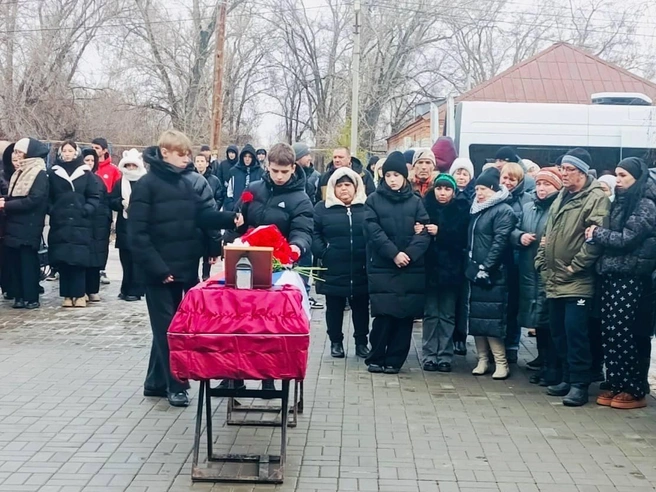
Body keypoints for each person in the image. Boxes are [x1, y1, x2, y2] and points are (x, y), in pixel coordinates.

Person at [129, 130, 241, 407]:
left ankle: (155, 382)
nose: (187, 159)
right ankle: (176, 385)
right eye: (182, 154)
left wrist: (230, 218)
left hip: (185, 267)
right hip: (158, 273)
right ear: (165, 152)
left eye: (189, 155)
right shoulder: (146, 185)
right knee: (169, 330)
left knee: (172, 328)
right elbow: (137, 234)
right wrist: (157, 268)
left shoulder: (187, 184)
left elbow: (201, 217)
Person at [223, 142, 313, 391]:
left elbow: (303, 230)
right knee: (237, 320)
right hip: (245, 265)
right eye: (275, 171)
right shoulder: (253, 190)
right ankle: (235, 374)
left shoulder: (301, 198)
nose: (280, 176)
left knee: (269, 324)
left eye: (284, 171)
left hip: (278, 269)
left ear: (293, 168)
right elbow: (237, 223)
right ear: (268, 167)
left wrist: (296, 247)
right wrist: (232, 236)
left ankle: (269, 376)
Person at [535, 148, 610, 407]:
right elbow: (549, 231)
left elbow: (595, 239)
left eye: (569, 170)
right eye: (562, 169)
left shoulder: (595, 198)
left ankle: (579, 384)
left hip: (578, 280)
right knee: (558, 333)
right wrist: (541, 262)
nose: (564, 174)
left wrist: (574, 266)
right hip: (554, 279)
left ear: (582, 172)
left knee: (575, 332)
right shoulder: (562, 196)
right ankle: (567, 378)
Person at [587, 157, 656, 409]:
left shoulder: (646, 204)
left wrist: (597, 233)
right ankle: (615, 382)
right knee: (610, 331)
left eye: (624, 175)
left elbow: (627, 238)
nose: (618, 180)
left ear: (637, 178)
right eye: (616, 174)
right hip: (612, 274)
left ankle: (633, 387)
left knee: (624, 331)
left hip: (632, 277)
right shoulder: (621, 202)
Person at [363, 151, 430, 374]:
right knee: (383, 316)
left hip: (410, 268)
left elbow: (424, 232)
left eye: (396, 174)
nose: (392, 179)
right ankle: (376, 356)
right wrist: (393, 253)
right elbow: (372, 230)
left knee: (404, 318)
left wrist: (408, 254)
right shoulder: (373, 200)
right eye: (388, 175)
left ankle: (395, 360)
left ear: (404, 176)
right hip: (383, 265)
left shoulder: (416, 202)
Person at [512, 167, 562, 385]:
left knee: (549, 322)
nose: (542, 188)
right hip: (528, 270)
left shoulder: (559, 208)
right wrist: (520, 236)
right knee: (537, 320)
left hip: (548, 271)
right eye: (539, 184)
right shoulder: (528, 207)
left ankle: (553, 367)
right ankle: (543, 362)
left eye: (547, 184)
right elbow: (512, 229)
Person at [464, 167, 516, 380]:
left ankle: (501, 362)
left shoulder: (503, 210)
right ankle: (482, 359)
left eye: (484, 188)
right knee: (477, 319)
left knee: (492, 320)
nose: (480, 192)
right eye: (477, 188)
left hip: (494, 274)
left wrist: (487, 267)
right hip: (476, 271)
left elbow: (500, 242)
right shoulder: (478, 209)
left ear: (494, 189)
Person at [313, 167, 369, 358]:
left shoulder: (366, 207)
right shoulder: (322, 208)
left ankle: (362, 342)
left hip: (361, 267)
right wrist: (324, 252)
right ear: (333, 188)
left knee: (361, 308)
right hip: (334, 267)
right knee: (334, 307)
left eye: (348, 185)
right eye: (340, 186)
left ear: (356, 187)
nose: (344, 189)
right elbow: (314, 233)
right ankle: (335, 342)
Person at [420, 173, 469, 372]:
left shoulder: (461, 210)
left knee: (448, 314)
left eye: (447, 189)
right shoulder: (425, 207)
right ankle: (430, 354)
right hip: (429, 269)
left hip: (452, 270)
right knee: (431, 314)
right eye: (439, 188)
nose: (442, 193)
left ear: (453, 192)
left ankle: (445, 355)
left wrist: (441, 232)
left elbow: (463, 240)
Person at [48, 141, 100, 308]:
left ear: (76, 152)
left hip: (81, 223)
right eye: (65, 150)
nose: (67, 153)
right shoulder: (54, 173)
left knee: (78, 260)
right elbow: (48, 197)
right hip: (61, 222)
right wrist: (53, 210)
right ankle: (66, 295)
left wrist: (86, 210)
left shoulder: (85, 173)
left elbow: (94, 196)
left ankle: (78, 294)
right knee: (63, 260)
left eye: (70, 150)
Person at [0, 138, 49, 309]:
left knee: (27, 262)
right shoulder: (18, 172)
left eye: (20, 152)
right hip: (14, 224)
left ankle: (31, 296)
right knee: (14, 262)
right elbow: (15, 196)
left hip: (29, 224)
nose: (17, 155)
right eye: (15, 152)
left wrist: (6, 204)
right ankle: (19, 296)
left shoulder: (38, 173)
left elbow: (33, 200)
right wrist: (5, 200)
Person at [500, 162, 532, 363]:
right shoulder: (495, 197)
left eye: (512, 179)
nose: (508, 182)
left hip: (517, 258)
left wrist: (518, 237)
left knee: (513, 305)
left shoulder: (526, 201)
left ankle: (511, 344)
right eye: (505, 178)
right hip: (498, 258)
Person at [108, 149, 147, 301]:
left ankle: (136, 290)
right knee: (125, 258)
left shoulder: (145, 181)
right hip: (124, 224)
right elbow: (111, 200)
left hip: (141, 224)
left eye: (133, 165)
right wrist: (121, 203)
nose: (131, 168)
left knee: (138, 259)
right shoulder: (120, 183)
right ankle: (126, 287)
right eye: (128, 165)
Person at [448, 156, 476, 356]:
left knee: (462, 299)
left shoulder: (475, 197)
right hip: (448, 254)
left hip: (465, 253)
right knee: (449, 298)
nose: (461, 176)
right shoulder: (445, 192)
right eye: (458, 172)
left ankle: (460, 336)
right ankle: (448, 335)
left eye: (465, 173)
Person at [293, 142, 323, 308]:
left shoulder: (315, 176)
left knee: (306, 259)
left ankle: (304, 291)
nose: (309, 157)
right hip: (296, 224)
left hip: (309, 222)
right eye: (306, 154)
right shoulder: (293, 176)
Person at [82, 148, 112, 303]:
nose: (89, 163)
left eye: (91, 161)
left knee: (95, 258)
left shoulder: (98, 180)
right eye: (86, 160)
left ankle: (93, 289)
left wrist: (106, 220)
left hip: (99, 224)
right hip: (84, 222)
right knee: (83, 258)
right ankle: (82, 290)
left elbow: (105, 202)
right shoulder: (78, 179)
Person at [91, 137, 121, 285]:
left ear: (104, 150)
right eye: (93, 148)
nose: (95, 151)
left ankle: (101, 269)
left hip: (105, 209)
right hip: (89, 209)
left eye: (97, 148)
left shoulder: (113, 170)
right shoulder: (89, 167)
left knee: (102, 240)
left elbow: (117, 190)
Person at [194, 153, 224, 280]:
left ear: (207, 163)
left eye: (202, 161)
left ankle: (206, 275)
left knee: (208, 245)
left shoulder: (214, 180)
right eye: (198, 161)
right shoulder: (191, 178)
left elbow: (220, 196)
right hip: (194, 218)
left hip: (209, 217)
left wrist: (213, 209)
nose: (200, 163)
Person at [224, 144, 264, 211]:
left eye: (250, 157)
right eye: (245, 156)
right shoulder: (234, 171)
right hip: (236, 209)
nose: (247, 159)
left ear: (253, 158)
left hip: (253, 211)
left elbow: (262, 194)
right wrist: (231, 206)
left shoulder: (260, 172)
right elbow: (229, 192)